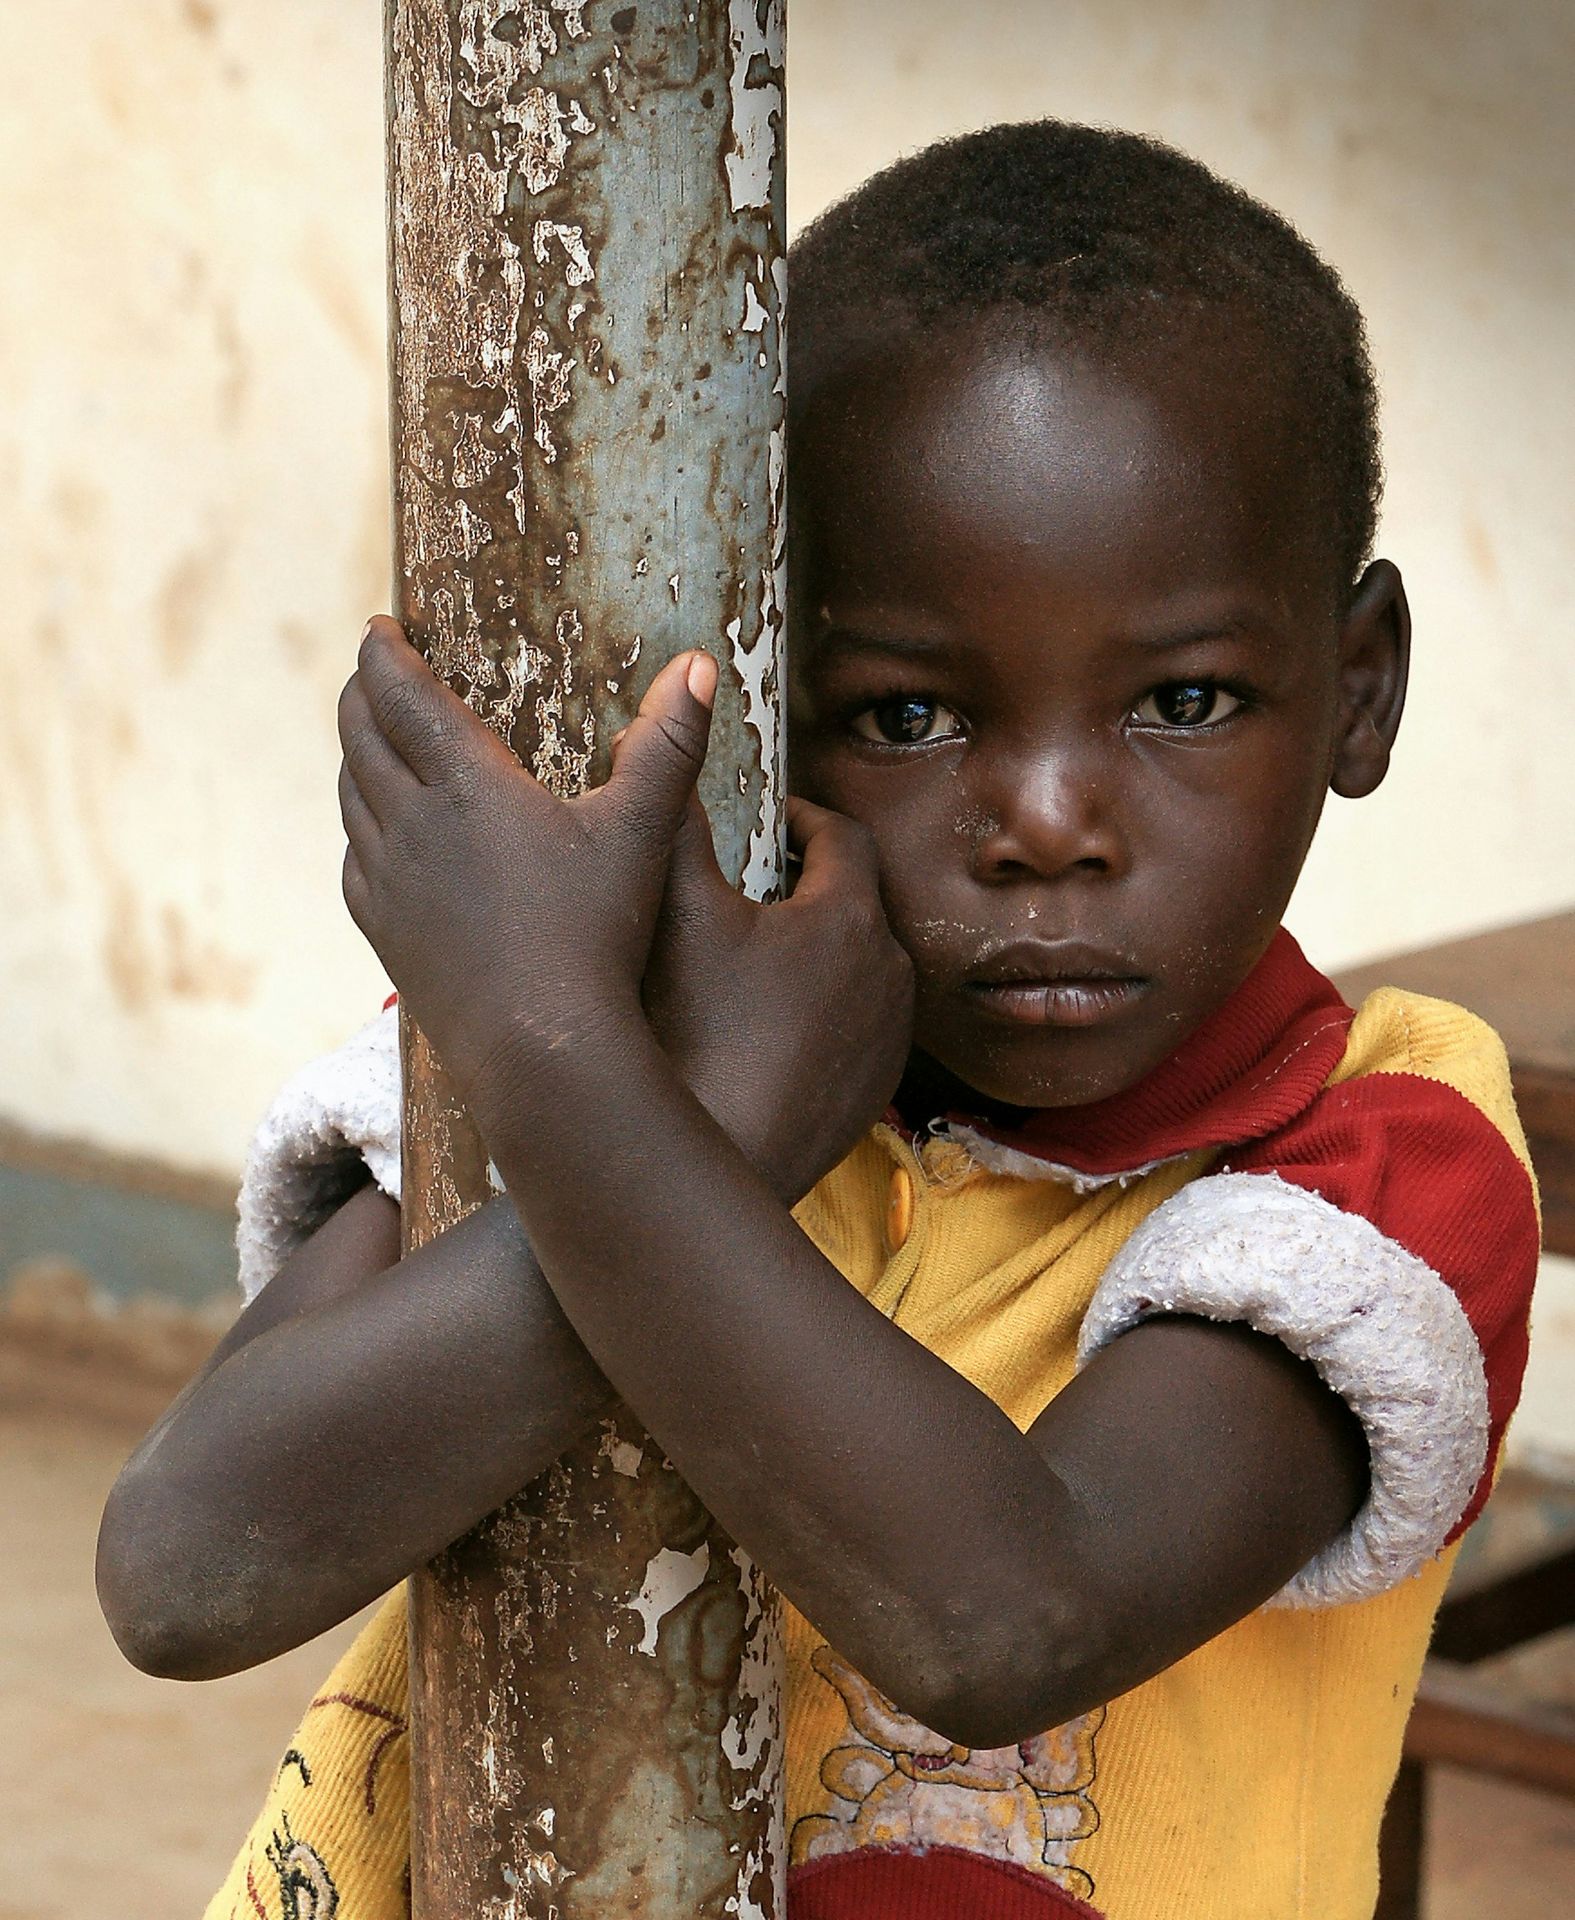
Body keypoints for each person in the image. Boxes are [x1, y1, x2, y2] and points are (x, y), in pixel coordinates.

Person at [97, 122, 1539, 1920]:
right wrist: (694, 1106)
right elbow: (185, 1569)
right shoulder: (637, 1046)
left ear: (1361, 690)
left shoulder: (1370, 1160)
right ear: (773, 703)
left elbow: (1010, 1611)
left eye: (1184, 697)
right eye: (914, 718)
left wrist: (587, 1077)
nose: (1046, 823)